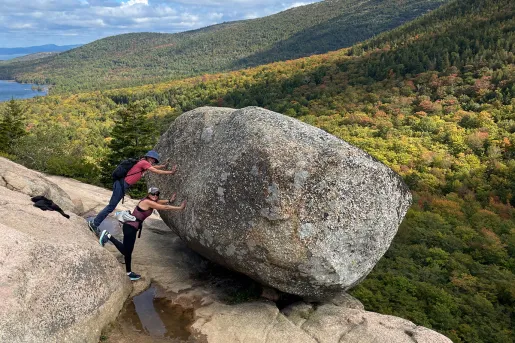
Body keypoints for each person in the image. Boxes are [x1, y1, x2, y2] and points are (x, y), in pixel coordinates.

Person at [98, 187, 186, 281]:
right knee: (126, 251)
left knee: (128, 251)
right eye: (153, 194)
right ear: (148, 194)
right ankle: (108, 236)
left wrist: (169, 200)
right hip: (130, 228)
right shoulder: (147, 202)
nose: (155, 196)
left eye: (157, 194)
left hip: (131, 227)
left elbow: (159, 202)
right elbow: (164, 207)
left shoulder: (149, 200)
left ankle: (129, 273)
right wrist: (179, 208)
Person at [88, 150, 176, 234]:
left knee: (111, 206)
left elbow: (153, 168)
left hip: (121, 185)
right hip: (121, 185)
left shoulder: (143, 162)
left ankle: (95, 222)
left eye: (154, 160)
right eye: (152, 159)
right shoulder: (144, 162)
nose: (153, 161)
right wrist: (170, 172)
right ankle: (94, 224)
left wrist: (163, 166)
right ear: (148, 157)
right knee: (111, 207)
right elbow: (155, 170)